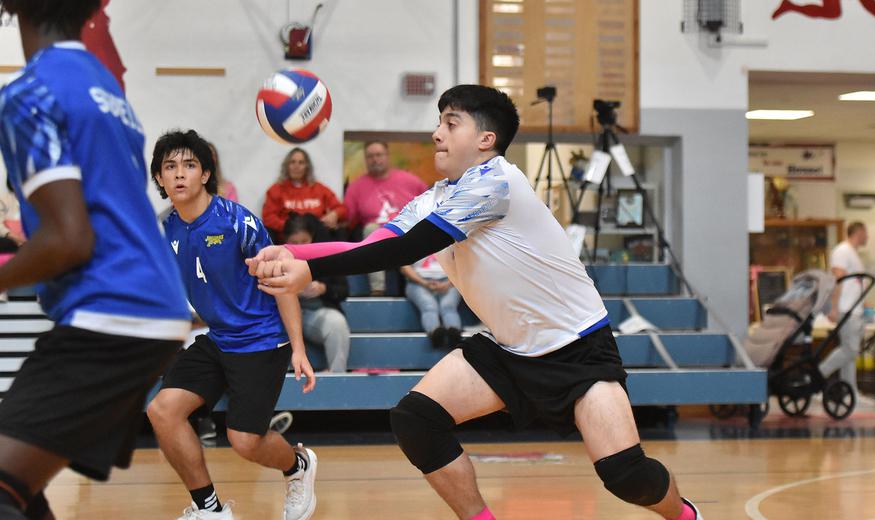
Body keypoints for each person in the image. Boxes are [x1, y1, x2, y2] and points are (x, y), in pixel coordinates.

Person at [248, 85, 702, 520]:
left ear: (486, 139)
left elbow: (405, 250)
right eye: (439, 122)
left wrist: (311, 270)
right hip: (508, 350)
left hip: (578, 351)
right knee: (416, 419)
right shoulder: (437, 197)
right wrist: (293, 253)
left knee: (625, 476)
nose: (436, 133)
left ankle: (684, 515)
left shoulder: (496, 182)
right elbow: (379, 240)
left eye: (450, 122)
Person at [0, 0, 192, 517]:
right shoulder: (102, 87)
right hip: (151, 308)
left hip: (113, 311)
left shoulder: (29, 94)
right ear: (92, 1)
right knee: (17, 481)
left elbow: (68, 239)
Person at [147, 130, 318, 520]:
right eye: (169, 167)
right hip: (217, 337)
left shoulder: (237, 222)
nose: (179, 174)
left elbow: (281, 284)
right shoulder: (165, 227)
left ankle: (298, 465)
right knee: (162, 411)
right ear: (159, 178)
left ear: (205, 173)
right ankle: (210, 509)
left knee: (244, 442)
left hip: (260, 339)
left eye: (189, 165)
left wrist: (298, 348)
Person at [344, 141, 427, 294]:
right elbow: (348, 220)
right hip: (378, 236)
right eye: (370, 156)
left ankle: (423, 284)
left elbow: (429, 204)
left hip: (406, 231)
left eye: (379, 155)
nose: (375, 159)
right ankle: (378, 290)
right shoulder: (356, 187)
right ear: (365, 159)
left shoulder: (411, 181)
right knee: (371, 229)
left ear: (387, 156)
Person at [284, 213, 351, 373]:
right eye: (294, 243)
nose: (299, 246)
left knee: (337, 323)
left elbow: (343, 290)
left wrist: (323, 288)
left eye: (304, 241)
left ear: (312, 238)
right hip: (283, 316)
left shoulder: (325, 256)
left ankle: (337, 375)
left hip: (317, 312)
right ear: (285, 240)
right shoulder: (276, 258)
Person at [820, 221, 873, 406]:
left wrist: (865, 304)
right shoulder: (842, 251)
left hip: (855, 309)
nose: (868, 237)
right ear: (859, 232)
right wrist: (833, 308)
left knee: (850, 354)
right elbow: (838, 279)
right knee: (849, 350)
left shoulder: (853, 254)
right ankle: (817, 376)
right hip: (845, 308)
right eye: (866, 233)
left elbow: (855, 283)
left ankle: (850, 392)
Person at [262, 147, 345, 241]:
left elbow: (342, 209)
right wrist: (291, 225)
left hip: (316, 236)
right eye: (292, 162)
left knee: (314, 220)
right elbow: (268, 217)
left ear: (307, 167)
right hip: (288, 234)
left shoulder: (319, 188)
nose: (296, 166)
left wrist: (334, 214)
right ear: (287, 166)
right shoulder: (276, 190)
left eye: (301, 162)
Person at [401, 254, 463, 348]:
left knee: (448, 306)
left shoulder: (453, 241)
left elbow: (462, 264)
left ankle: (454, 333)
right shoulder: (410, 242)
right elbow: (404, 267)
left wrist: (449, 283)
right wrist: (424, 282)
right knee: (429, 306)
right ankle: (435, 333)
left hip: (450, 281)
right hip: (417, 282)